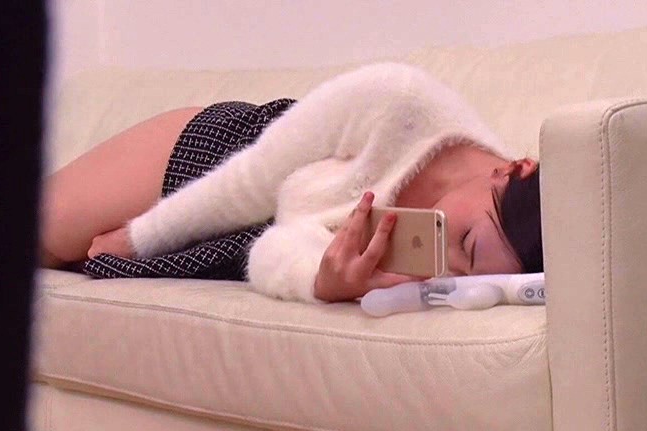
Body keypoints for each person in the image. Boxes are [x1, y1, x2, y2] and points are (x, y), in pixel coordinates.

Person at [40, 63, 542, 303]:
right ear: (513, 169)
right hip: (220, 166)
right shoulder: (397, 100)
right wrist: (138, 238)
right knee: (39, 234)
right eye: (464, 242)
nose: (445, 265)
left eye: (464, 273)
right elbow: (252, 180)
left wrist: (323, 282)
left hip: (243, 245)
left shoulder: (491, 255)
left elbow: (276, 247)